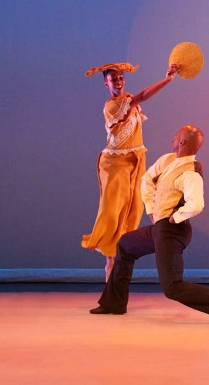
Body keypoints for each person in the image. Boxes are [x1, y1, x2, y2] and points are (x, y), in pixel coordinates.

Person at [90, 125, 209, 325]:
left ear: (182, 142)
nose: (173, 139)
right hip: (160, 228)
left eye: (176, 136)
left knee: (172, 287)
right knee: (126, 244)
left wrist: (176, 217)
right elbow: (146, 181)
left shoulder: (190, 173)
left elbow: (197, 203)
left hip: (172, 231)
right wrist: (151, 209)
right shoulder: (167, 160)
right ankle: (113, 303)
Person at [82, 62, 179, 281]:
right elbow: (143, 95)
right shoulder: (113, 106)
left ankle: (119, 259)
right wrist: (167, 80)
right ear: (106, 83)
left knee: (134, 207)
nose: (118, 81)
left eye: (120, 78)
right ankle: (109, 261)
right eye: (113, 79)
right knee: (113, 209)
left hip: (135, 160)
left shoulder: (128, 100)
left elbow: (138, 99)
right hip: (115, 163)